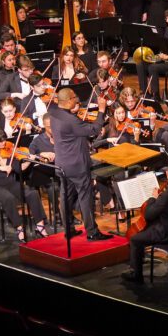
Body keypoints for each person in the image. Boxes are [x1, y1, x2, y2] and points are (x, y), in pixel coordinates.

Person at [48, 87, 111, 241]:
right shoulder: (71, 120)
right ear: (68, 100)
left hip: (62, 164)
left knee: (65, 197)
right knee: (85, 197)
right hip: (77, 166)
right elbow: (94, 129)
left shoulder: (54, 113)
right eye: (75, 98)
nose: (77, 100)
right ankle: (92, 232)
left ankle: (68, 230)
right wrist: (101, 110)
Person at [120, 160, 168, 284]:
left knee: (135, 239)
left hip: (166, 233)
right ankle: (140, 257)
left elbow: (149, 215)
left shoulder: (166, 195)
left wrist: (153, 198)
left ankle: (136, 275)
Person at [0, 130, 50, 243]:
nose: (4, 143)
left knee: (32, 194)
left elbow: (19, 168)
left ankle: (40, 226)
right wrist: (0, 168)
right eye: (0, 142)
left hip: (9, 183)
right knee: (8, 198)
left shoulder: (9, 151)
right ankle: (19, 228)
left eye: (5, 140)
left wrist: (30, 160)